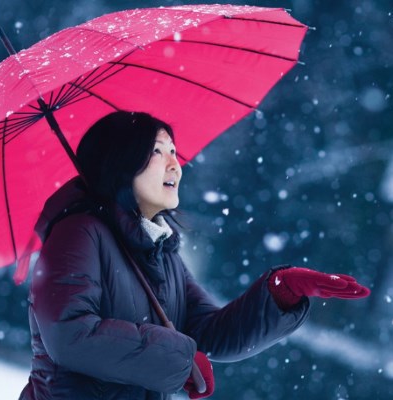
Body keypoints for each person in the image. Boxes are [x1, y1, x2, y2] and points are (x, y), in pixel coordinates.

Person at [18, 111, 370, 400]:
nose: (176, 165)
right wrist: (177, 359)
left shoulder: (157, 248)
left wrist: (279, 293)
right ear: (121, 164)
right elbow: (71, 335)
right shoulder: (78, 234)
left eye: (174, 151)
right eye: (158, 151)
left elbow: (206, 330)